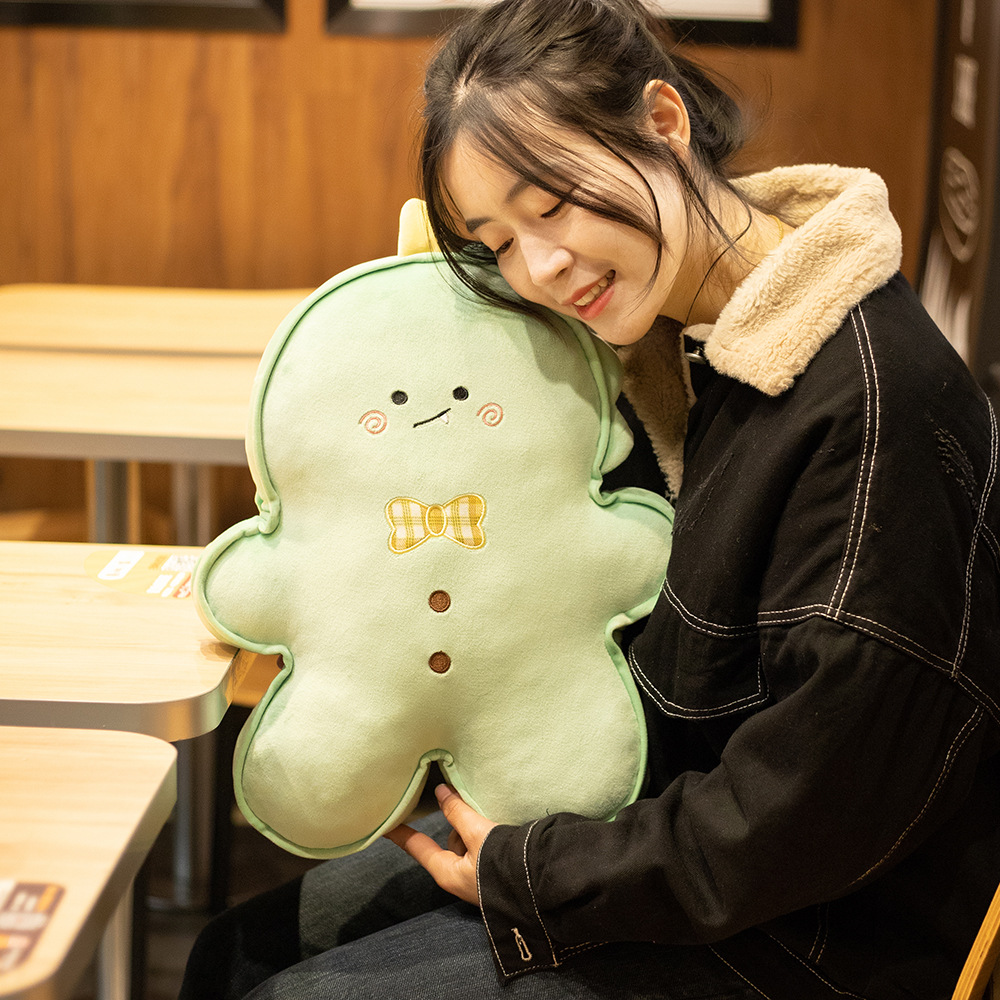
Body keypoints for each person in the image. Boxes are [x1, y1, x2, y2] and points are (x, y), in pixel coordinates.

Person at [179, 1, 1000, 997]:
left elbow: (815, 809)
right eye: (497, 241)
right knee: (236, 951)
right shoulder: (658, 346)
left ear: (663, 121)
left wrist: (537, 874)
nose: (542, 268)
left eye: (553, 204)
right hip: (648, 822)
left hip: (813, 931)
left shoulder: (875, 407)